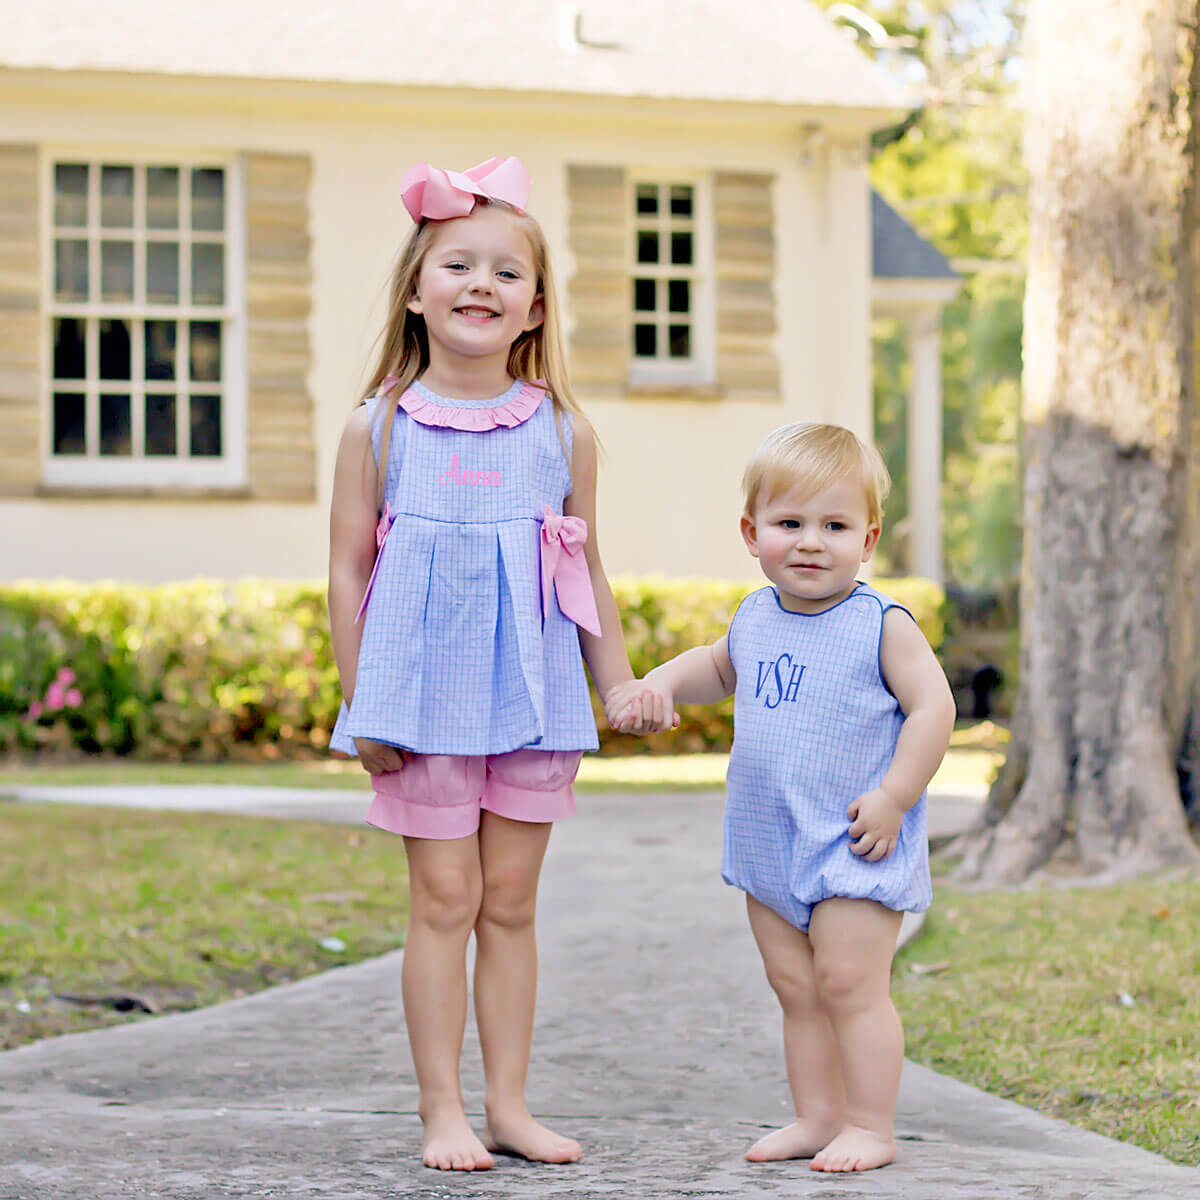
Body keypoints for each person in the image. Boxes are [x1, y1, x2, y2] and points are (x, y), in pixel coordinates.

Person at [327, 157, 653, 1173]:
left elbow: (584, 565)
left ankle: (509, 1105)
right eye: (455, 264)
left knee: (510, 901)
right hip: (420, 701)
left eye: (505, 272)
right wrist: (359, 700)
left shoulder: (563, 431)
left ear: (534, 308)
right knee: (444, 902)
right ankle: (444, 1112)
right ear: (416, 295)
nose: (479, 283)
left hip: (534, 696)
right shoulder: (377, 427)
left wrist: (618, 682)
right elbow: (345, 572)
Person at [607, 422, 956, 1174]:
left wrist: (896, 795)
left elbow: (935, 710)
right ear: (751, 532)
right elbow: (713, 667)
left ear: (867, 539)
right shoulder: (755, 618)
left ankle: (869, 1124)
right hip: (770, 840)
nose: (809, 542)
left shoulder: (882, 626)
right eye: (789, 523)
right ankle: (815, 1117)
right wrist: (660, 683)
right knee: (797, 988)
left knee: (848, 985)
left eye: (833, 526)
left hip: (853, 838)